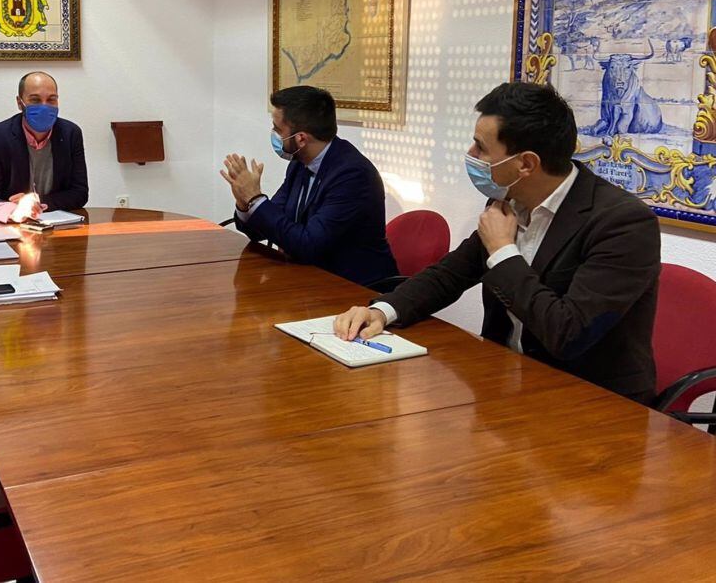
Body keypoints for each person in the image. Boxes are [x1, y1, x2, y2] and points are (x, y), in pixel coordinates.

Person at [333, 82, 661, 403]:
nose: (471, 155)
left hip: (592, 402)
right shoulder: (508, 201)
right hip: (508, 381)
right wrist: (382, 311)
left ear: (526, 164)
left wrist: (504, 252)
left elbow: (568, 333)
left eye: (481, 147)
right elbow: (449, 275)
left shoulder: (623, 224)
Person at [220, 85, 397, 287]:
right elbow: (262, 230)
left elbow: (308, 245)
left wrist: (255, 199)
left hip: (354, 289)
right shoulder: (299, 165)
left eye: (278, 129)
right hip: (308, 280)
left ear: (301, 138)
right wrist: (244, 203)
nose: (274, 135)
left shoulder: (352, 175)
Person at [0, 71, 88, 223]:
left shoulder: (71, 133)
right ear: (20, 103)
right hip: (9, 227)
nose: (44, 107)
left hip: (54, 225)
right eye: (35, 100)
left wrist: (35, 201)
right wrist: (12, 210)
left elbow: (80, 192)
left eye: (51, 100)